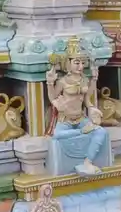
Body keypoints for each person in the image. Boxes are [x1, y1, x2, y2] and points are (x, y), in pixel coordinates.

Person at [47, 37, 110, 175]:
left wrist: (93, 108)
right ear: (68, 63)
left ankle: (88, 161)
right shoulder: (62, 82)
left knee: (101, 132)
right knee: (57, 136)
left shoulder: (85, 80)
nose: (81, 67)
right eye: (76, 63)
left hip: (81, 118)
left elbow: (88, 101)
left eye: (82, 63)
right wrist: (50, 83)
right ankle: (80, 134)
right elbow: (53, 98)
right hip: (65, 121)